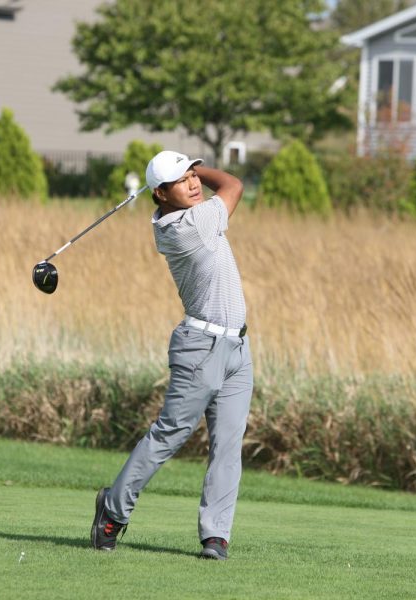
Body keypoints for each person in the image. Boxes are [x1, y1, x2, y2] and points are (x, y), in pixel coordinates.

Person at [90, 150, 253, 561]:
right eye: (184, 179)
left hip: (237, 348)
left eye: (194, 175)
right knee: (169, 435)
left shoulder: (181, 214)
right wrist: (205, 168)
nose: (195, 183)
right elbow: (233, 184)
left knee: (228, 444)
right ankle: (112, 510)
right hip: (201, 349)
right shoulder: (190, 225)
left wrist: (187, 171)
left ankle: (216, 534)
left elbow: (219, 190)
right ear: (161, 194)